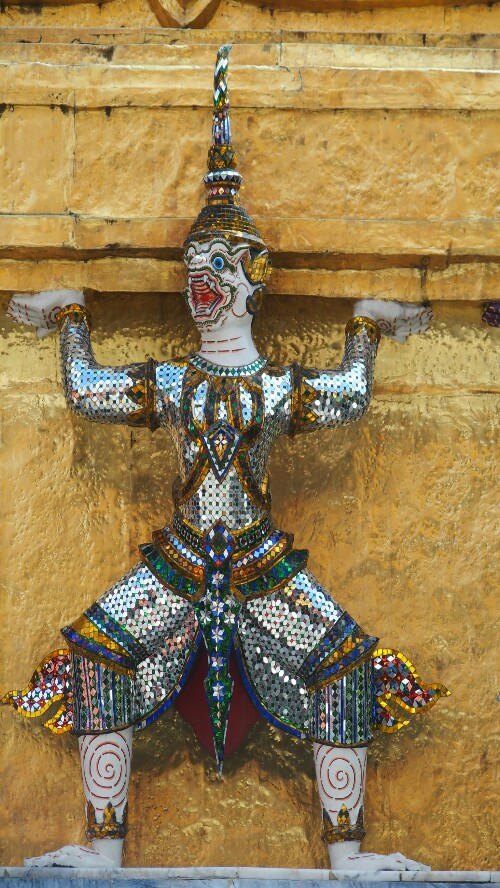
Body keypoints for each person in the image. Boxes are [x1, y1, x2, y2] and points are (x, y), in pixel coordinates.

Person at [4, 45, 449, 872]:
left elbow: (349, 395)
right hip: (179, 560)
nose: (198, 283)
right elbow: (88, 393)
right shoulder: (174, 382)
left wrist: (366, 326)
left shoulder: (276, 388)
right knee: (97, 652)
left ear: (252, 276)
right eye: (191, 269)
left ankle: (348, 859)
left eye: (214, 266)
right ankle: (104, 854)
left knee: (346, 666)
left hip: (260, 562)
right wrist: (70, 318)